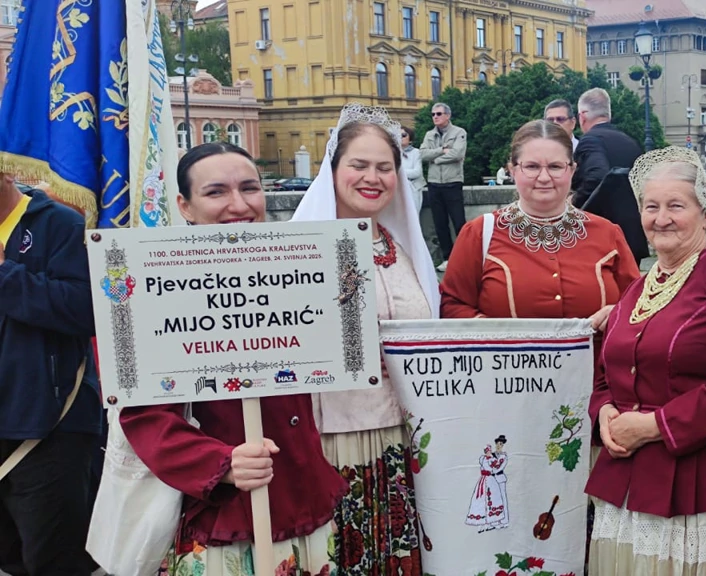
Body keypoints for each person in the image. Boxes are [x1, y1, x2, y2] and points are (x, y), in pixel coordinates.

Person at [121, 142, 347, 575]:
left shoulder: (301, 270)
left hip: (305, 496)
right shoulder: (149, 285)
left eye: (250, 188)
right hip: (226, 516)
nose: (239, 205)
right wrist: (221, 463)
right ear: (184, 206)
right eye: (217, 192)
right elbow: (144, 417)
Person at [586, 147, 706, 574]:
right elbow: (605, 376)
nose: (662, 218)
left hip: (697, 481)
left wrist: (653, 427)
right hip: (627, 484)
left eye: (676, 205)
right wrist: (604, 413)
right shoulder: (638, 289)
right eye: (651, 207)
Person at [292, 104, 440, 574]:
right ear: (333, 169)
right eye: (358, 164)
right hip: (334, 443)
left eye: (385, 167)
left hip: (405, 444)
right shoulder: (300, 250)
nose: (372, 177)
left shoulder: (404, 251)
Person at [441, 119, 638, 328]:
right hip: (509, 360)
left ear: (572, 170)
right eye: (532, 167)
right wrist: (497, 333)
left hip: (595, 361)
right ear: (513, 170)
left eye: (555, 166)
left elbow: (640, 303)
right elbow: (452, 306)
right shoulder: (479, 234)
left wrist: (618, 313)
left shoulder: (607, 233)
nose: (544, 178)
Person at [0, 172, 98, 576]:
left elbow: (89, 309)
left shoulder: (60, 223)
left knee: (54, 560)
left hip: (49, 428)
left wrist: (4, 275)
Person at [572, 88, 649, 265]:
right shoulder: (629, 141)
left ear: (582, 116)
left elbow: (597, 176)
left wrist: (574, 201)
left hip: (601, 236)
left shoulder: (590, 140)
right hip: (632, 233)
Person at [422, 102, 468, 271]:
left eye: (439, 114)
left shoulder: (459, 132)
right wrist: (442, 150)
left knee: (459, 222)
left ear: (447, 116)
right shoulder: (429, 134)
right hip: (434, 183)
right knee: (440, 224)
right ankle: (448, 258)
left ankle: (467, 257)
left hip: (452, 182)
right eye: (433, 114)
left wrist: (435, 159)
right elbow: (422, 154)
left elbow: (458, 154)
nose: (435, 117)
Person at [401, 127, 427, 212]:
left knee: (413, 215)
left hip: (413, 189)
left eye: (403, 135)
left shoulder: (416, 152)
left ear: (410, 140)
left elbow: (417, 172)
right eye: (398, 135)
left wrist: (400, 172)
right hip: (397, 188)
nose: (400, 137)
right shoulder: (392, 152)